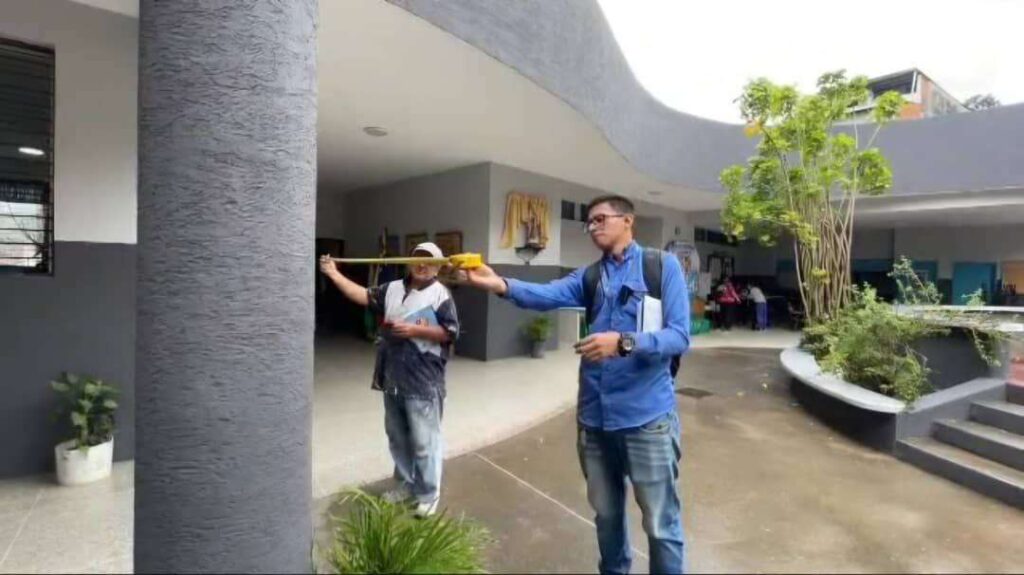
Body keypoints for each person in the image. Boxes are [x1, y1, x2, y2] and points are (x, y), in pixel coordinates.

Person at [461, 195, 690, 574]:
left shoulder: (661, 267)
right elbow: (546, 294)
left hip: (647, 419)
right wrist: (499, 283)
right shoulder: (589, 277)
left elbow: (680, 336)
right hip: (595, 422)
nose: (594, 227)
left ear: (627, 220)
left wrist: (624, 342)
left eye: (601, 219)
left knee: (661, 524)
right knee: (606, 516)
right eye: (590, 222)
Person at [318, 242, 459, 518]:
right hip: (392, 376)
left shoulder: (441, 294)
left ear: (438, 267)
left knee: (424, 440)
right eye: (417, 259)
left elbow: (450, 332)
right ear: (408, 261)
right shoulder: (392, 288)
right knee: (397, 437)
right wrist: (334, 274)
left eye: (429, 262)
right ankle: (406, 484)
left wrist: (414, 330)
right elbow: (363, 296)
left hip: (424, 380)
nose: (422, 265)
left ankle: (428, 494)